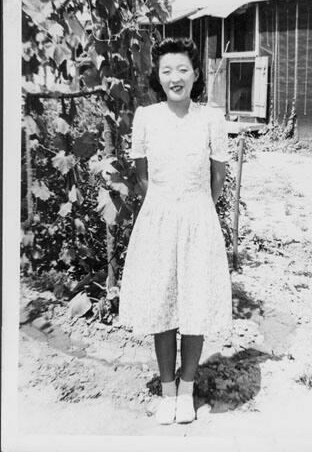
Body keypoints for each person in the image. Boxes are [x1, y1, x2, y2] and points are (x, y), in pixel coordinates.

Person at [119, 37, 232, 425]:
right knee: (163, 302)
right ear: (158, 76)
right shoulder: (146, 117)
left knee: (195, 303)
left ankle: (187, 391)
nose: (175, 77)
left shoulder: (210, 118)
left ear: (196, 74)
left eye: (183, 69)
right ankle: (167, 392)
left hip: (199, 218)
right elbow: (143, 178)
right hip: (159, 220)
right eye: (167, 70)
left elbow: (218, 178)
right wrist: (167, 208)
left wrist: (197, 207)